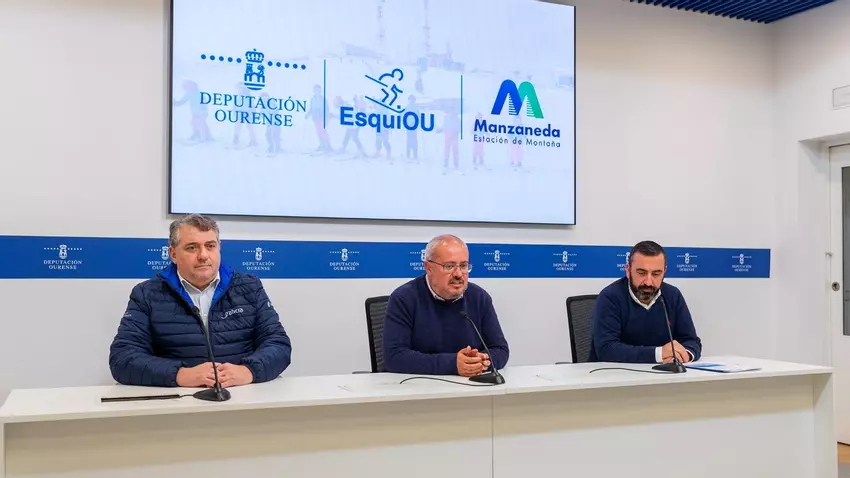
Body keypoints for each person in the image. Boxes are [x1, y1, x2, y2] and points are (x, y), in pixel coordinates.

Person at [109, 214, 292, 388]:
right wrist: (179, 375)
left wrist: (249, 371)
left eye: (210, 246)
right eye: (192, 248)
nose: (203, 255)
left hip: (242, 394)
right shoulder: (147, 294)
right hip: (180, 399)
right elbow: (122, 358)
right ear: (173, 254)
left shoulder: (249, 287)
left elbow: (278, 344)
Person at [383, 235, 509, 376]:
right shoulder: (404, 298)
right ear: (428, 268)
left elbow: (500, 350)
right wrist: (453, 364)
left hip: (469, 385)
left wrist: (477, 362)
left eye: (463, 266)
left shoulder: (479, 297)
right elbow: (394, 357)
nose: (458, 274)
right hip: (420, 385)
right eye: (449, 266)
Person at [590, 240, 702, 364]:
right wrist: (659, 354)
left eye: (656, 274)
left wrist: (684, 355)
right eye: (641, 273)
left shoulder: (673, 295)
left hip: (662, 373)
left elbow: (691, 341)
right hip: (614, 374)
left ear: (664, 271)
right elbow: (606, 349)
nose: (648, 282)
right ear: (628, 270)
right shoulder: (610, 297)